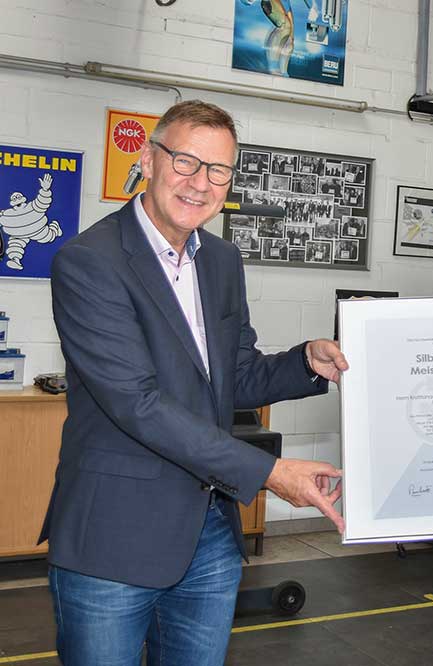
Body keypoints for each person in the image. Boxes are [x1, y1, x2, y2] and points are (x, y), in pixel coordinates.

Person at [41, 100, 350, 665]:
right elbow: (137, 404)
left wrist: (306, 362)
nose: (200, 182)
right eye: (185, 161)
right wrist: (269, 473)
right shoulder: (89, 261)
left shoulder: (222, 260)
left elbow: (234, 376)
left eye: (219, 170)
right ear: (148, 160)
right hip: (113, 536)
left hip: (208, 533)